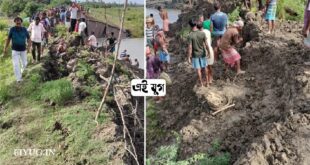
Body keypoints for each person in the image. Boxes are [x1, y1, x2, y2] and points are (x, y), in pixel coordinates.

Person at [4, 17, 31, 82]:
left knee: (24, 64)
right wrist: (5, 48)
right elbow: (8, 39)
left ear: (21, 22)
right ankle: (18, 79)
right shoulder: (12, 29)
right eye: (16, 22)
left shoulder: (24, 29)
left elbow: (29, 39)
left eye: (19, 22)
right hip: (15, 50)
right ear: (15, 23)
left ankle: (22, 72)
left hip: (23, 49)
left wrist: (29, 47)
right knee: (16, 65)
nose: (18, 23)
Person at [188, 20, 210, 87]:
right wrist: (208, 52)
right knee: (205, 67)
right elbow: (206, 44)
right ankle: (207, 83)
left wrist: (189, 57)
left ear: (190, 26)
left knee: (198, 69)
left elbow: (190, 47)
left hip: (195, 55)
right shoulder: (202, 33)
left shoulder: (190, 35)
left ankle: (201, 84)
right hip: (202, 53)